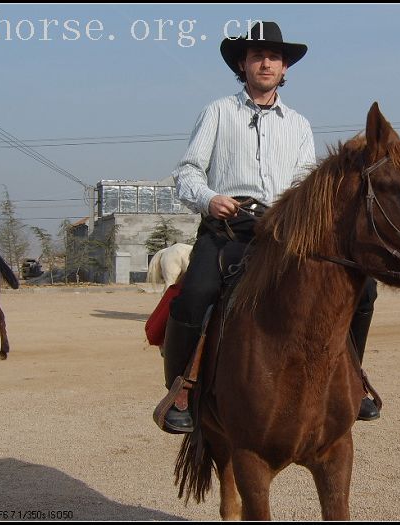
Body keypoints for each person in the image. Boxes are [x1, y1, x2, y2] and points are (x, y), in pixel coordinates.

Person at [156, 21, 380, 434]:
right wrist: (209, 198)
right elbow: (186, 172)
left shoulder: (298, 124)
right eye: (257, 56)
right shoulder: (218, 112)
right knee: (195, 295)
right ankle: (181, 389)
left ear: (284, 68)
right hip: (228, 229)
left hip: (283, 232)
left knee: (363, 289)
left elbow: (304, 182)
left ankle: (354, 377)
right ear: (243, 65)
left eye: (274, 57)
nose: (266, 63)